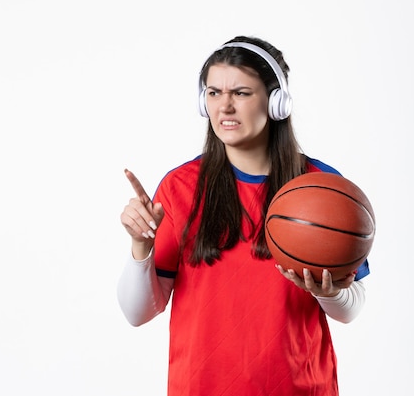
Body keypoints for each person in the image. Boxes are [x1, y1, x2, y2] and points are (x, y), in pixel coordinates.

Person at [117, 35, 369, 396]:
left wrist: (329, 293)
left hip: (299, 388)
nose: (225, 107)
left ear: (277, 102)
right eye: (214, 93)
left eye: (241, 93)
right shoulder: (180, 187)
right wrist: (140, 246)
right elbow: (137, 313)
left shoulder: (320, 186)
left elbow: (351, 309)